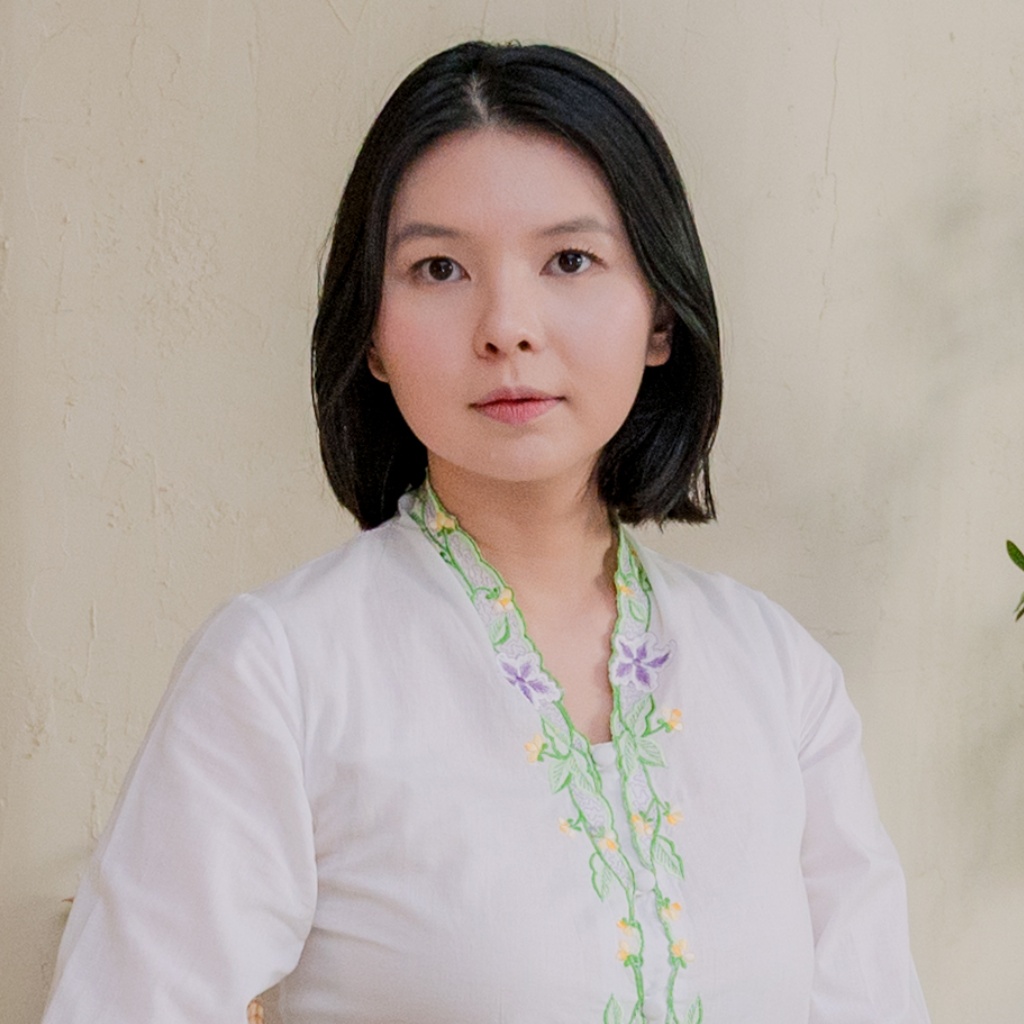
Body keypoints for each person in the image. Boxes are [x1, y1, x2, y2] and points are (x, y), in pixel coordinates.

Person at [41, 41, 931, 1024]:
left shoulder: (779, 677)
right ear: (372, 334)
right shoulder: (282, 671)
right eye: (439, 268)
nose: (507, 325)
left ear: (659, 317)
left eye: (570, 260)